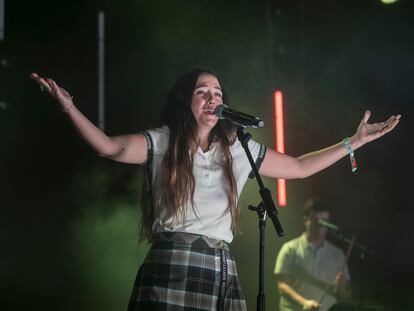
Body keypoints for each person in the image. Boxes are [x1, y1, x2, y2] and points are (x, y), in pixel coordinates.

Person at [30, 67, 400, 311]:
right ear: (185, 101)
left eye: (218, 92)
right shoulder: (163, 141)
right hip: (172, 263)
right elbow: (108, 146)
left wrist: (355, 142)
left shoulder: (240, 149)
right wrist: (69, 107)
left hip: (219, 266)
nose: (212, 97)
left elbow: (300, 167)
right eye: (202, 91)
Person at [274, 199, 352, 311]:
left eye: (325, 221)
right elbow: (282, 286)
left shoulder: (337, 254)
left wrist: (342, 286)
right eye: (316, 221)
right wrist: (304, 303)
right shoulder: (290, 249)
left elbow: (346, 297)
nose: (321, 225)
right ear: (305, 221)